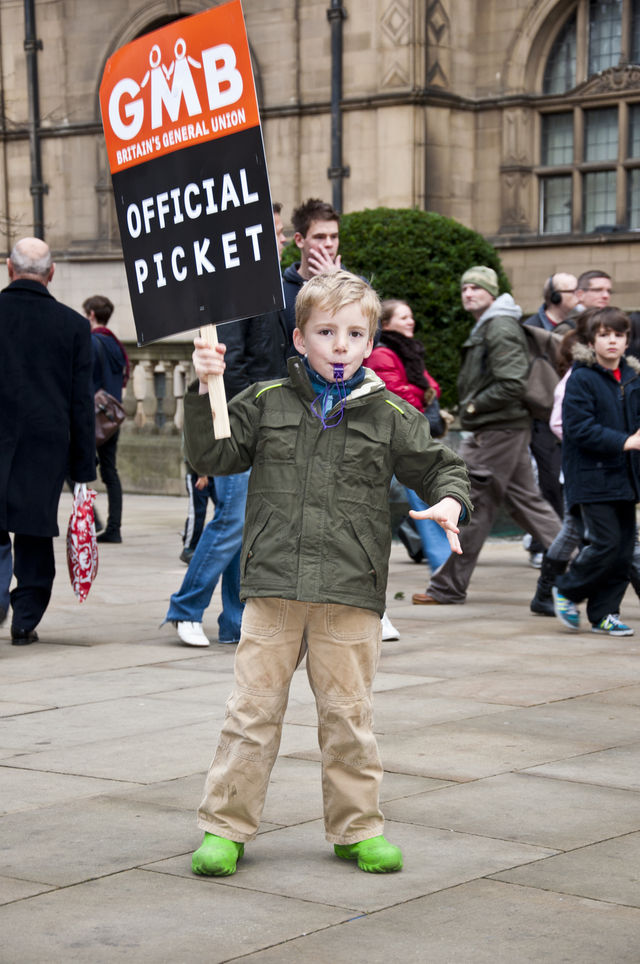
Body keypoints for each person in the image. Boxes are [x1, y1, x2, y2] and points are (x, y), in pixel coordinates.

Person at [183, 270, 472, 877]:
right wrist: (204, 385)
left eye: (354, 333)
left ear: (370, 343)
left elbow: (442, 466)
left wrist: (449, 500)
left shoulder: (390, 412)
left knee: (349, 718)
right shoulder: (265, 402)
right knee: (251, 714)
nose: (340, 344)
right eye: (326, 331)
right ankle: (224, 828)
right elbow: (213, 454)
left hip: (349, 591)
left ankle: (357, 828)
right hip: (273, 590)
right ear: (299, 337)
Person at [164, 204, 290, 648]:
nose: (280, 241)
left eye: (281, 233)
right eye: (272, 233)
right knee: (232, 521)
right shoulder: (237, 291)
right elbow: (227, 367)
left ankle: (234, 620)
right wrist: (226, 438)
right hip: (239, 426)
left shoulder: (268, 288)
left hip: (264, 423)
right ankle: (185, 608)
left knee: (246, 525)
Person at [413, 265, 561, 606]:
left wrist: (474, 409)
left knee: (470, 503)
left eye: (476, 288)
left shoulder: (500, 326)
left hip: (497, 429)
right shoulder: (492, 324)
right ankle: (585, 567)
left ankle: (447, 586)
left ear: (492, 294)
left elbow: (511, 382)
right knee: (528, 504)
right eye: (464, 288)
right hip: (504, 428)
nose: (468, 293)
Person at [0, 237, 95, 643]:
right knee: (36, 530)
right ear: (51, 274)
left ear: (9, 268)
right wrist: (83, 470)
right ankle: (25, 619)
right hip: (46, 442)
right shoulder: (74, 325)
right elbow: (81, 402)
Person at [552, 307, 640, 636]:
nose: (612, 341)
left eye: (618, 335)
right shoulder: (582, 378)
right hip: (591, 478)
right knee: (605, 543)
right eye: (604, 335)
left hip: (626, 478)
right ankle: (567, 589)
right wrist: (625, 441)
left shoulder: (632, 378)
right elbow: (578, 429)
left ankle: (605, 614)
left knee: (622, 550)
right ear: (591, 342)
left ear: (627, 339)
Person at [368, 299, 452, 574]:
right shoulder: (383, 354)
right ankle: (442, 566)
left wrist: (422, 393)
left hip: (407, 434)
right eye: (404, 317)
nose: (410, 321)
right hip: (390, 436)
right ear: (386, 323)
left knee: (423, 499)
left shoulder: (408, 352)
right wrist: (422, 394)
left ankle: (442, 566)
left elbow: (432, 387)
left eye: (411, 316)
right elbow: (395, 393)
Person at [521, 272, 578, 561]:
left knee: (558, 483)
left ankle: (547, 542)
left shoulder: (580, 328)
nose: (577, 296)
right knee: (547, 482)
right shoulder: (529, 328)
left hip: (569, 413)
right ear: (554, 296)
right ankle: (546, 545)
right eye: (572, 291)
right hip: (537, 416)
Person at [83, 295, 129, 544]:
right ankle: (114, 527)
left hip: (93, 417)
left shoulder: (92, 341)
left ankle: (92, 518)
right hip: (112, 417)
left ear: (91, 314)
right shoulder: (116, 344)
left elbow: (85, 380)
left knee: (73, 466)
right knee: (110, 471)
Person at [282, 198, 341, 342]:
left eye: (334, 237)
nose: (329, 244)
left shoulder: (357, 287)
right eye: (319, 237)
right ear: (299, 240)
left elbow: (371, 335)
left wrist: (337, 284)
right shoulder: (281, 292)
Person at [180, 465, 216, 564]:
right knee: (197, 513)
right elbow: (193, 450)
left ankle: (214, 546)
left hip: (217, 474)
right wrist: (201, 473)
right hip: (197, 475)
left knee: (224, 511)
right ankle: (189, 548)